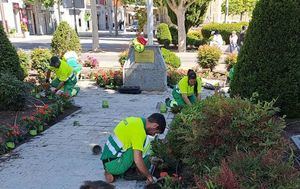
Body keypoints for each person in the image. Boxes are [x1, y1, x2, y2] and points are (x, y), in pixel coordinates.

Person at [100, 113, 166, 184]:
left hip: (108, 159)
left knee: (143, 152)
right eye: (155, 132)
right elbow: (137, 159)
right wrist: (149, 177)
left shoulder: (136, 121)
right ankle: (118, 173)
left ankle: (112, 170)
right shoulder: (139, 132)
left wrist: (150, 159)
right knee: (143, 171)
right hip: (113, 164)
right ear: (155, 126)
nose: (153, 134)